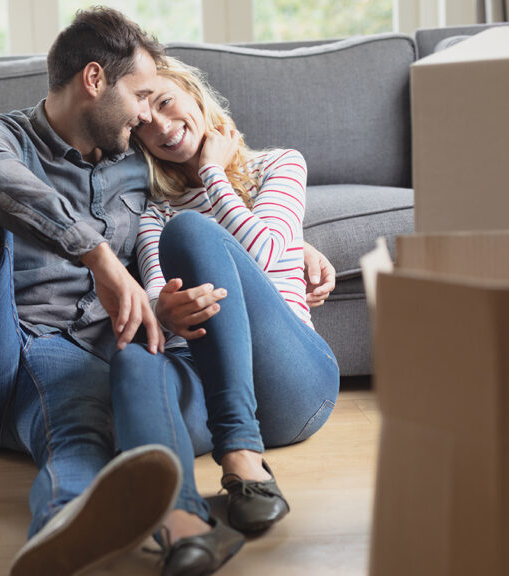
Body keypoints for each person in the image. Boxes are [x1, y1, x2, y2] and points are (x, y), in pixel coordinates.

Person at [0, 7, 336, 575]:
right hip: (3, 354)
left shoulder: (138, 161)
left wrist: (294, 248)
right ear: (94, 80)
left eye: (154, 101)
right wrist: (98, 255)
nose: (145, 116)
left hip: (88, 360)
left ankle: (62, 530)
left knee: (83, 433)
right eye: (139, 95)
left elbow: (198, 213)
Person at [107, 56, 341, 575]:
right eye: (144, 125)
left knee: (191, 233)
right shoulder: (155, 213)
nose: (163, 128)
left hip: (292, 386)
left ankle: (241, 454)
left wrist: (213, 171)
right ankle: (178, 519)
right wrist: (163, 312)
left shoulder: (278, 165)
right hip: (207, 392)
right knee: (130, 361)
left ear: (195, 96)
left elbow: (262, 251)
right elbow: (151, 305)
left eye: (166, 103)